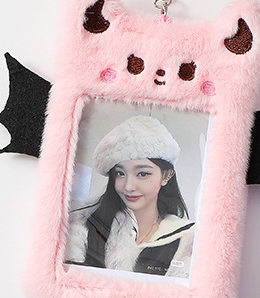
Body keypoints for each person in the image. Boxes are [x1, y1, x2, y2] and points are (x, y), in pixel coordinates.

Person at [65, 115, 195, 278]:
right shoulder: (81, 227)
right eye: (120, 173)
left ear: (166, 175)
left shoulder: (188, 238)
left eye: (142, 174)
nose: (128, 186)